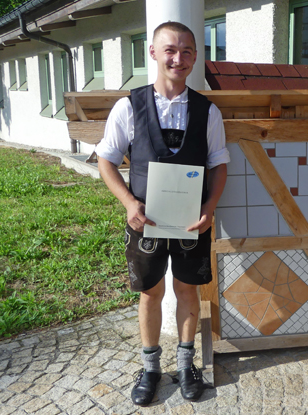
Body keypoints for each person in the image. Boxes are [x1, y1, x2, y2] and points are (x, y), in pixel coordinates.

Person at [95, 21, 229, 406]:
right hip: (145, 221)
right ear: (153, 53)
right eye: (170, 49)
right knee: (150, 292)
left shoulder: (207, 111)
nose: (178, 58)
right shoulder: (129, 106)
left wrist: (209, 208)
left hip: (192, 222)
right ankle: (150, 368)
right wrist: (128, 203)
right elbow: (105, 160)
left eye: (186, 51)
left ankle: (186, 365)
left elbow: (219, 165)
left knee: (187, 289)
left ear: (195, 57)